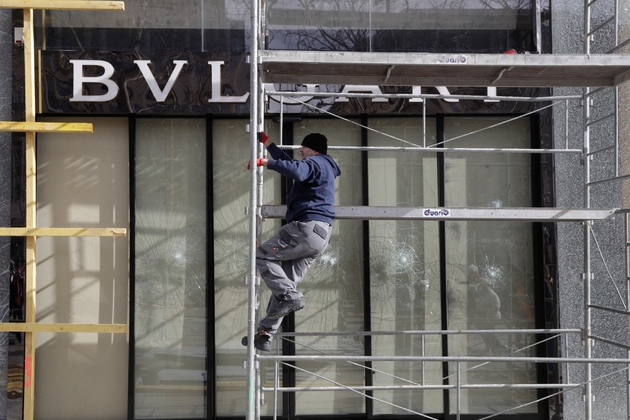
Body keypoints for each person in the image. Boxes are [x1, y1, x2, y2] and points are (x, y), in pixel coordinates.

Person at [242, 132, 341, 351]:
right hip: (320, 236)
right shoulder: (324, 166)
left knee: (261, 256)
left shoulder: (314, 162)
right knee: (284, 284)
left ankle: (290, 296)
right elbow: (291, 163)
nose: (300, 151)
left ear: (313, 149)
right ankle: (265, 334)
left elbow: (297, 170)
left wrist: (264, 162)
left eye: (303, 148)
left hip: (305, 229)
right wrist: (267, 143)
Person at [467, 264, 508, 356]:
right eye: (472, 273)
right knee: (485, 332)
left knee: (488, 333)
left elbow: (496, 306)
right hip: (481, 315)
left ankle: (495, 348)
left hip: (491, 317)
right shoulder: (479, 293)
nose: (474, 275)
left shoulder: (490, 293)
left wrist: (485, 313)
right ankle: (494, 348)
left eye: (475, 273)